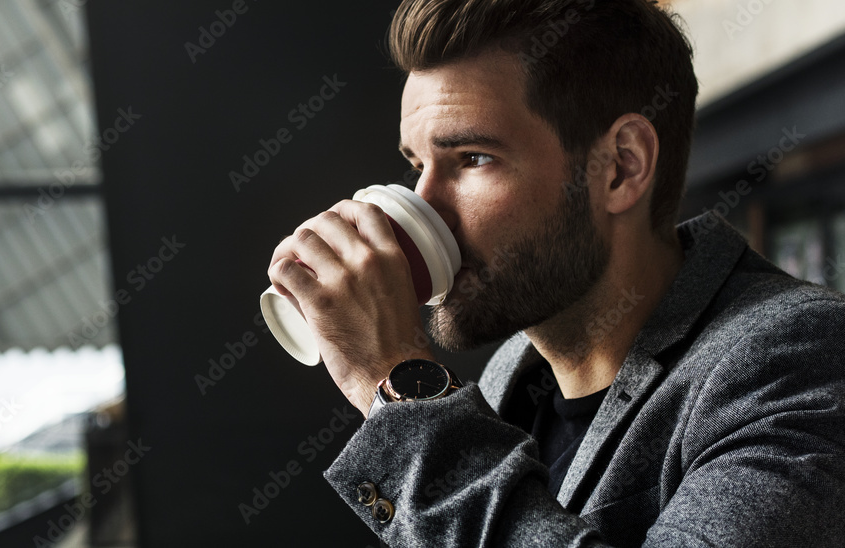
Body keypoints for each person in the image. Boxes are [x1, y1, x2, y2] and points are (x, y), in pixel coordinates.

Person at [265, 0, 845, 545]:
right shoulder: (509, 379)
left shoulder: (801, 358)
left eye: (473, 158)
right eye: (417, 166)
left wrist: (398, 383)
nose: (425, 204)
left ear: (620, 167)